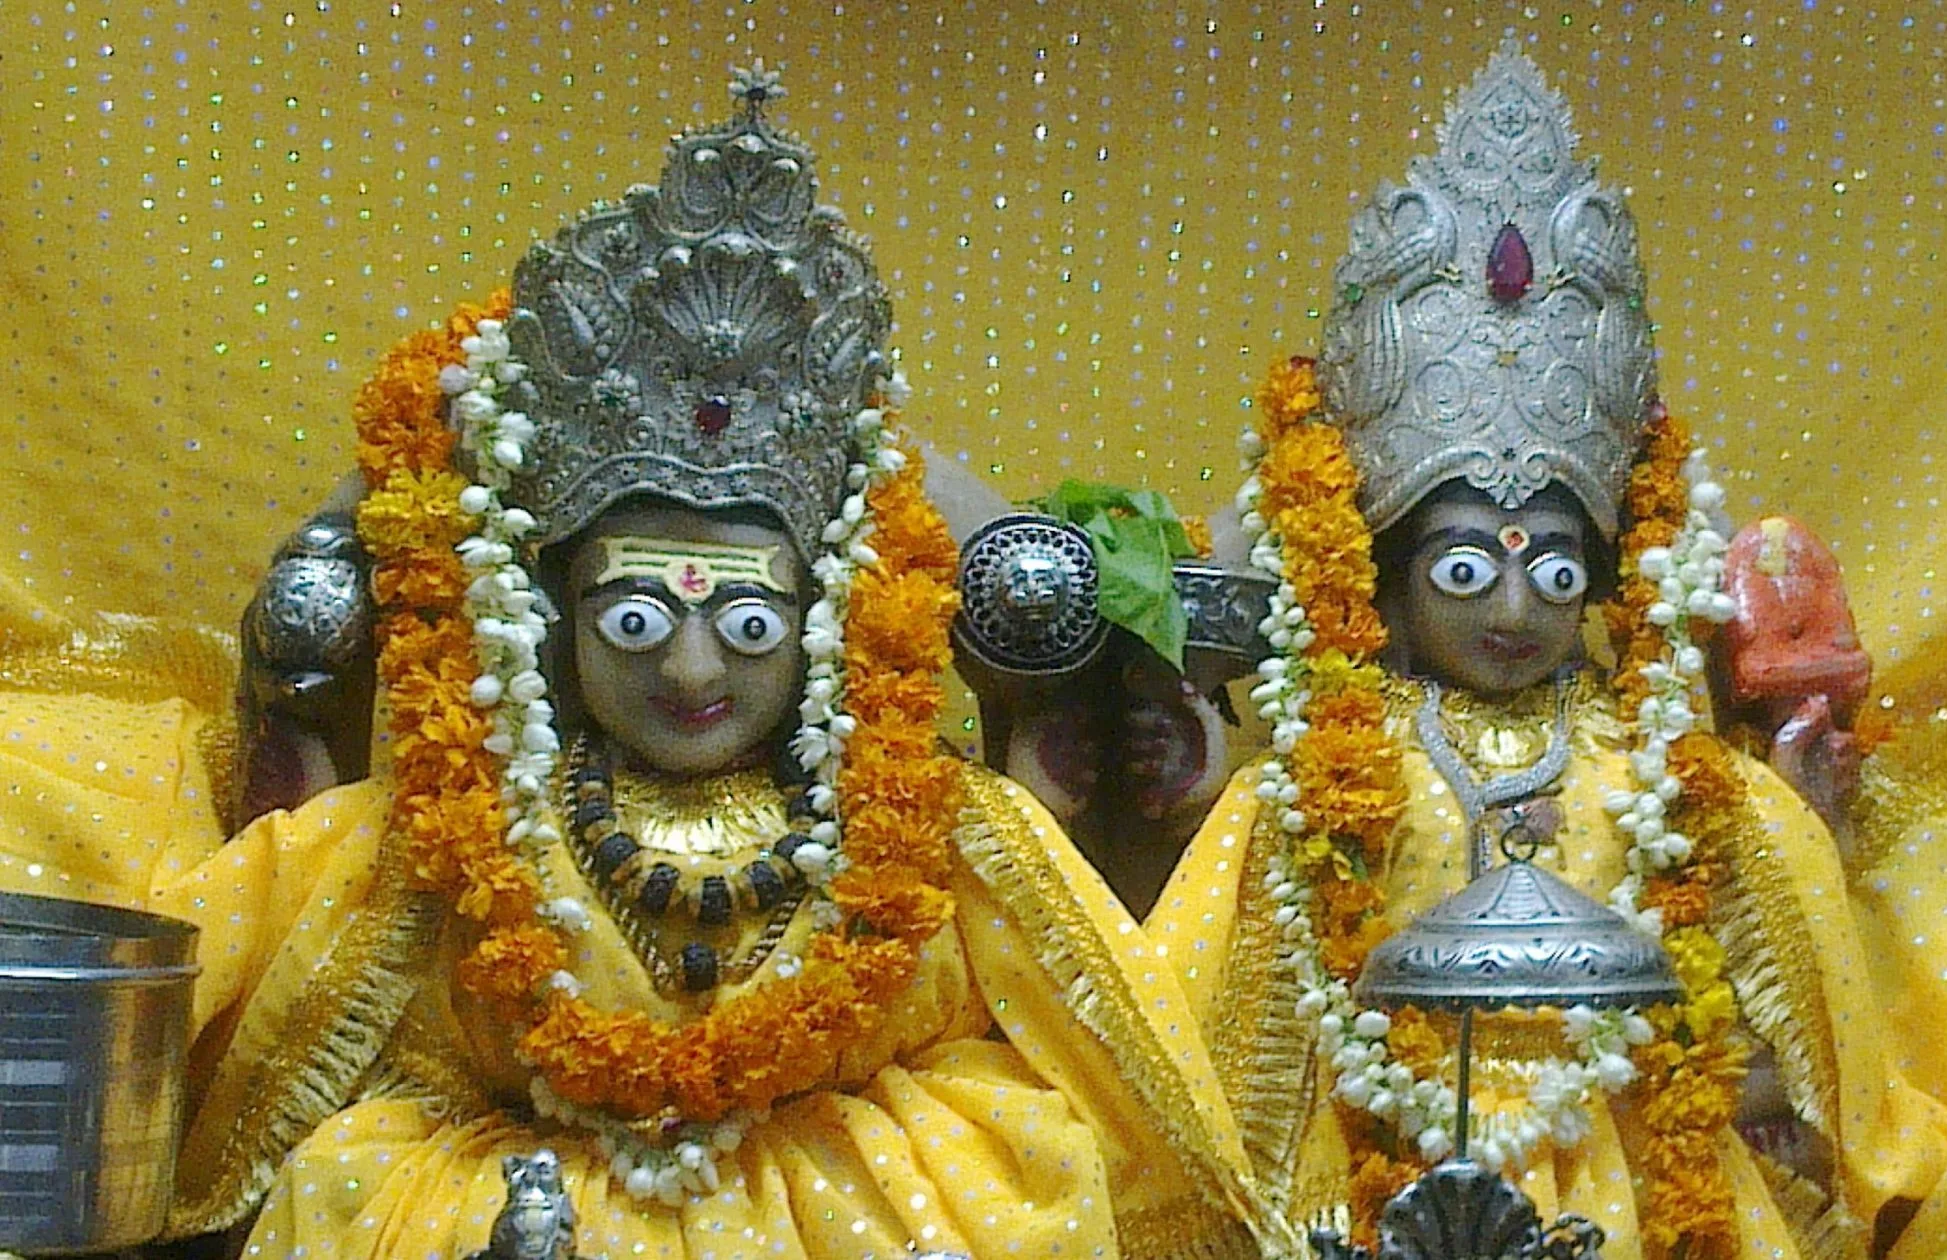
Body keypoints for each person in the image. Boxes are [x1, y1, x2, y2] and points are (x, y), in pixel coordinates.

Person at [0, 64, 1279, 1260]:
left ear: (827, 622)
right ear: (549, 617)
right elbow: (285, 1030)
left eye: (746, 622)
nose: (685, 664)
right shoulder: (453, 834)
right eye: (632, 617)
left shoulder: (946, 840)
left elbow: (1101, 1059)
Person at [1142, 45, 1947, 1260]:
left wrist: (1801, 828)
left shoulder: (1647, 762)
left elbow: (1770, 1001)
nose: (1513, 603)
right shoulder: (1311, 775)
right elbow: (1208, 1032)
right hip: (1360, 1152)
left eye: (1552, 569)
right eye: (1465, 566)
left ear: (1604, 585)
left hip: (1635, 1150)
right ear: (1389, 588)